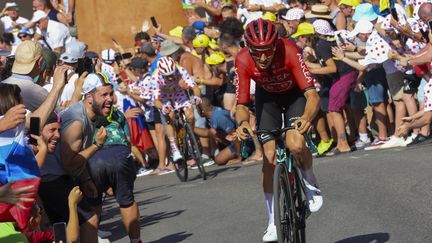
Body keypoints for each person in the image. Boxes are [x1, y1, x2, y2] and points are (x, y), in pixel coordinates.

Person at [235, 19, 322, 242]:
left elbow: (312, 95)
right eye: (257, 52)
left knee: (295, 143)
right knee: (269, 157)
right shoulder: (243, 59)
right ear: (249, 48)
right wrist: (243, 123)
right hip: (268, 100)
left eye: (268, 51)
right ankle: (273, 221)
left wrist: (306, 117)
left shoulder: (290, 50)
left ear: (276, 45)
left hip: (294, 95)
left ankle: (310, 182)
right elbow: (242, 103)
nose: (263, 58)